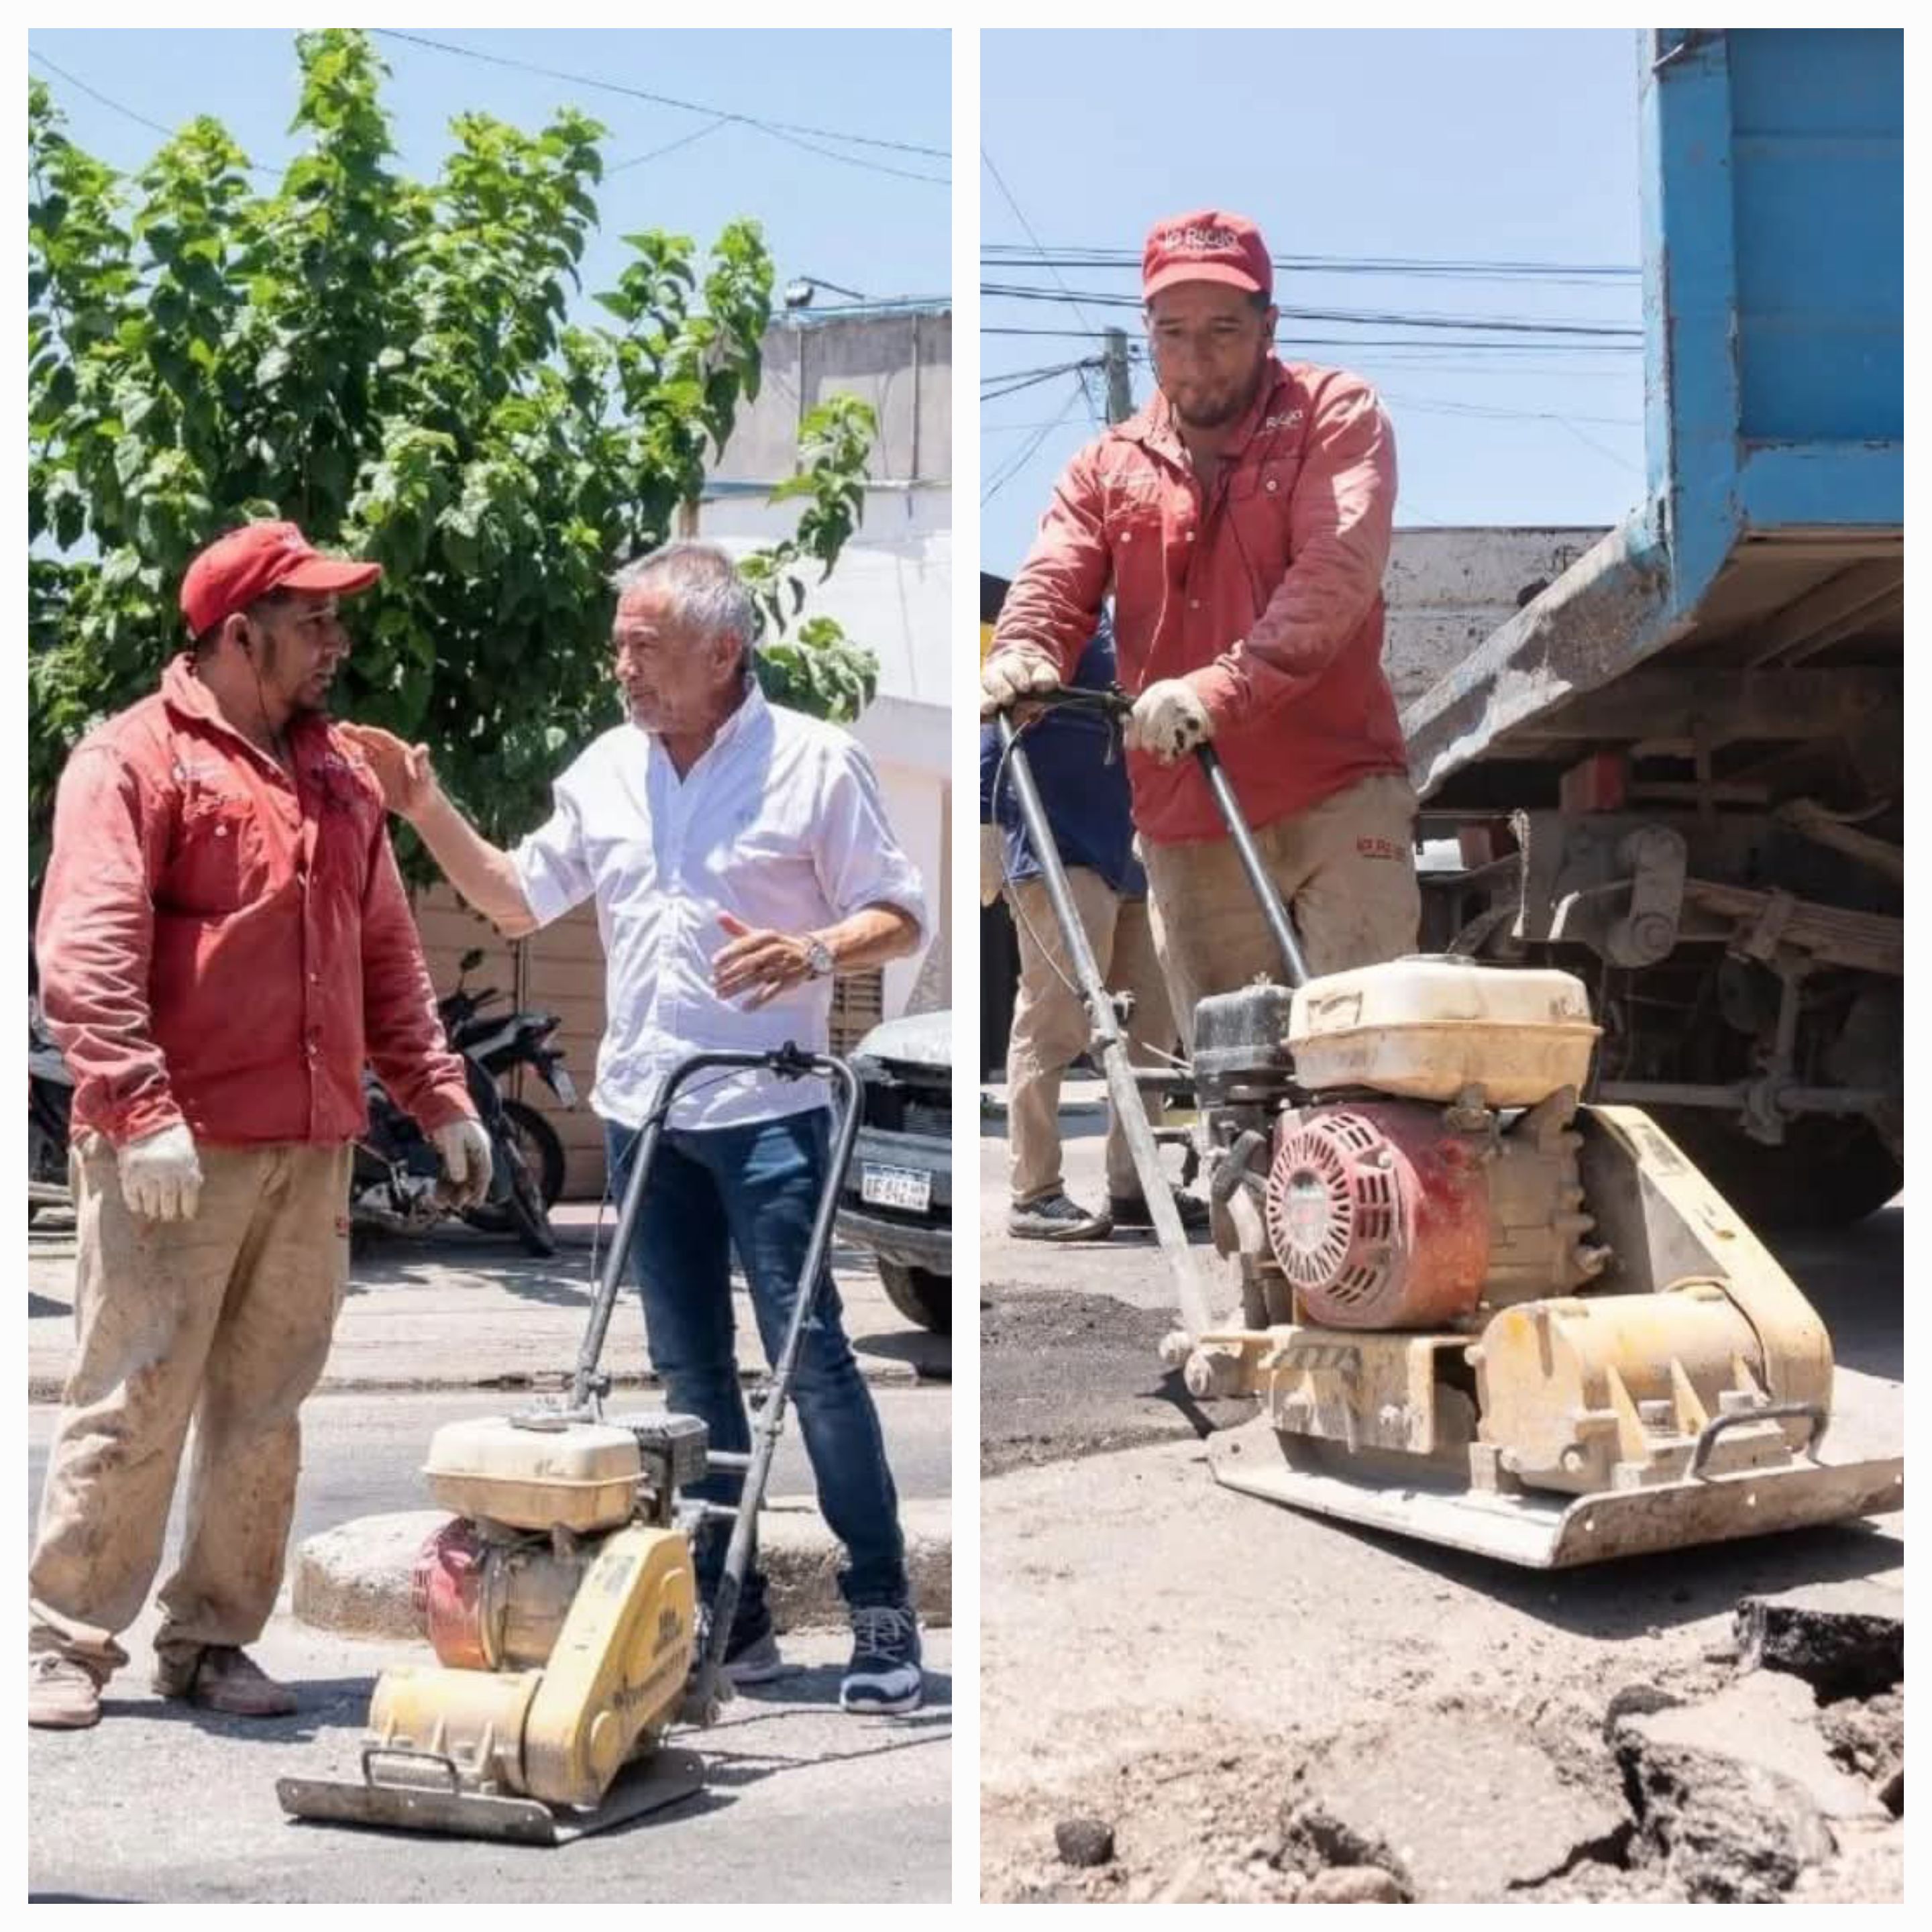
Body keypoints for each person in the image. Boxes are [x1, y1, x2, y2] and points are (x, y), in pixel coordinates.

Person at [343, 541, 930, 1716]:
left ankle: (882, 1606)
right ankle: (730, 1602)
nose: (624, 668)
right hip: (647, 1111)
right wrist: (424, 804)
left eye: (644, 648)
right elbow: (518, 897)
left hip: (770, 1111)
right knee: (685, 1378)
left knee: (811, 1364)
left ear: (724, 652)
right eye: (621, 646)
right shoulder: (609, 767)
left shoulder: (816, 761)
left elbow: (901, 913)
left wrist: (816, 950)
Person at [29, 522, 491, 1731]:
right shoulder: (133, 761)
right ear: (241, 636)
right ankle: (69, 1639)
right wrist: (137, 1111)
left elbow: (383, 952)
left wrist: (438, 1094)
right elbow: (86, 951)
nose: (339, 643)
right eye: (315, 623)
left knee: (266, 1409)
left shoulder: (339, 775)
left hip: (310, 1147)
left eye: (339, 620)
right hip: (174, 1150)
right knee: (135, 1393)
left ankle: (215, 1637)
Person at [981, 208, 1421, 1042]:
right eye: (1173, 331)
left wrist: (1218, 690)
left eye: (1223, 328)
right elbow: (1056, 576)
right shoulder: (1108, 464)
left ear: (1268, 327)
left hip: (1337, 789)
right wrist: (1026, 650)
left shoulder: (1336, 413)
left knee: (1363, 1055)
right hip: (1191, 814)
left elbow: (1335, 575)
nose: (1196, 354)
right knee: (1237, 1073)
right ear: (1146, 334)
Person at [979, 623, 1205, 1242]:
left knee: (1149, 1027)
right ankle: (1035, 1191)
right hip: (1062, 846)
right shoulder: (1059, 630)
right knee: (1056, 1018)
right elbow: (993, 724)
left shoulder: (1161, 634)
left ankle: (1134, 1186)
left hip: (1138, 849)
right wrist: (985, 828)